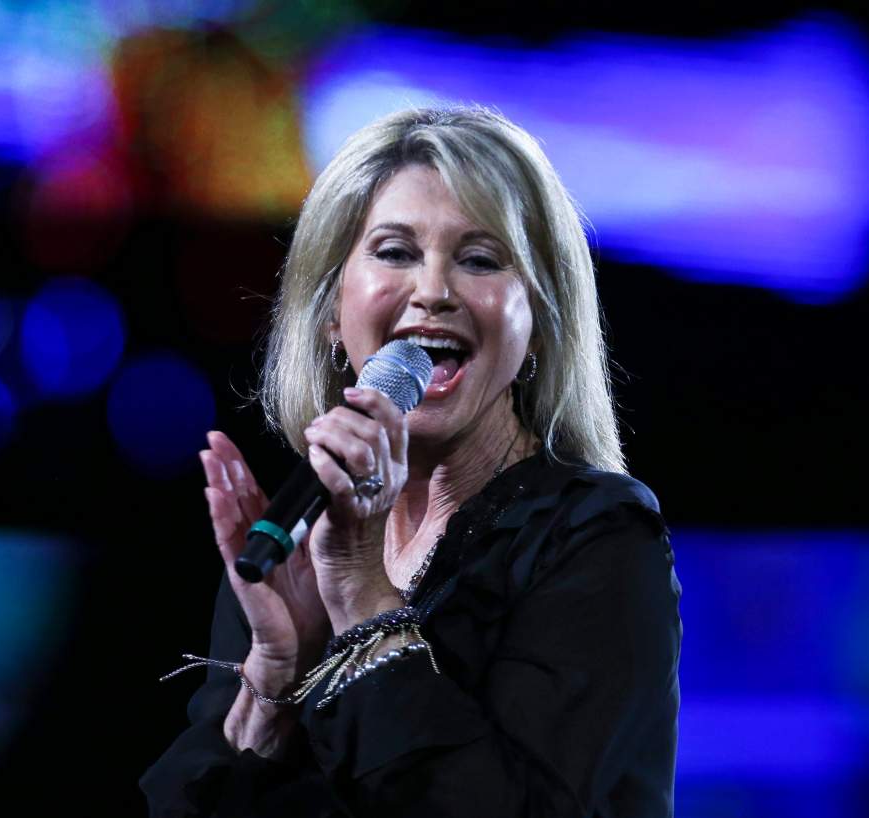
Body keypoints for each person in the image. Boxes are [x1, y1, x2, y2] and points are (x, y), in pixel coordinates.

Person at [141, 106, 682, 817]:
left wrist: (364, 597)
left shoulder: (598, 540)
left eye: (480, 259)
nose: (433, 291)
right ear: (331, 310)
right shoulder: (296, 540)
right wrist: (275, 678)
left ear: (541, 325)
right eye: (395, 252)